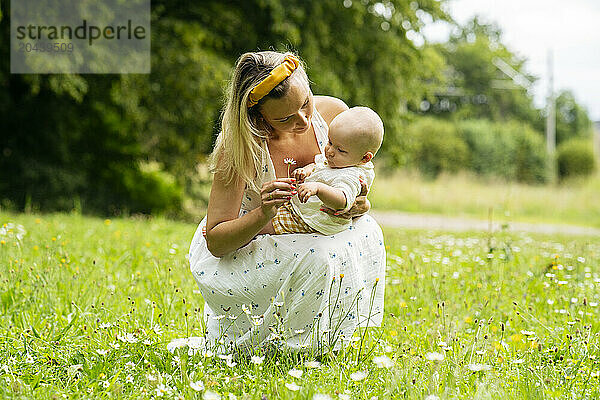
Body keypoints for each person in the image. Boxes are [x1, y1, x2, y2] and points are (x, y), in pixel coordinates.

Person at [188, 51, 386, 355]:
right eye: (284, 118)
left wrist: (359, 207)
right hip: (259, 251)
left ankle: (331, 342)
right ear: (258, 116)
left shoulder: (334, 114)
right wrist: (263, 211)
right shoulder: (240, 148)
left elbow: (356, 177)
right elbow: (215, 241)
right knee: (318, 254)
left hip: (315, 236)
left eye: (305, 103)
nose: (304, 120)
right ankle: (290, 349)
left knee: (368, 230)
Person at [262, 106, 384, 236]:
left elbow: (342, 200)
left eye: (340, 150)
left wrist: (318, 188)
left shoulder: (352, 176)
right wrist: (306, 170)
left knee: (263, 228)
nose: (330, 151)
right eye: (330, 142)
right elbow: (319, 165)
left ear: (365, 158)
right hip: (302, 210)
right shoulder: (341, 160)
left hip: (311, 220)